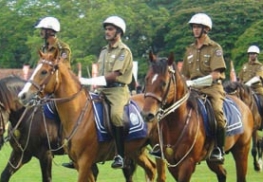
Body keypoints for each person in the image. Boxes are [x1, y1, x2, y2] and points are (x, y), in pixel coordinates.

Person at [151, 13, 226, 164]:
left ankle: (219, 148)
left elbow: (216, 74)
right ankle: (161, 145)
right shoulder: (189, 50)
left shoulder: (214, 48)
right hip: (192, 90)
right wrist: (186, 83)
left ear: (206, 29)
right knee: (166, 109)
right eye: (194, 27)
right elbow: (184, 75)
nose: (195, 30)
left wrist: (194, 83)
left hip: (212, 89)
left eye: (199, 27)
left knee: (217, 113)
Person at [35, 16, 73, 169]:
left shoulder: (63, 48)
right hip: (47, 89)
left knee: (61, 113)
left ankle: (67, 144)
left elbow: (64, 69)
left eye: (42, 30)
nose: (40, 32)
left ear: (50, 31)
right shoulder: (43, 49)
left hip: (61, 90)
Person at [96, 16, 133, 169]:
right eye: (106, 29)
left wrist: (91, 81)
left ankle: (120, 155)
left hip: (118, 90)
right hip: (102, 89)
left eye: (110, 29)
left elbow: (114, 75)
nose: (107, 31)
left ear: (118, 32)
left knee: (116, 116)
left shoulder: (124, 51)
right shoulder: (104, 51)